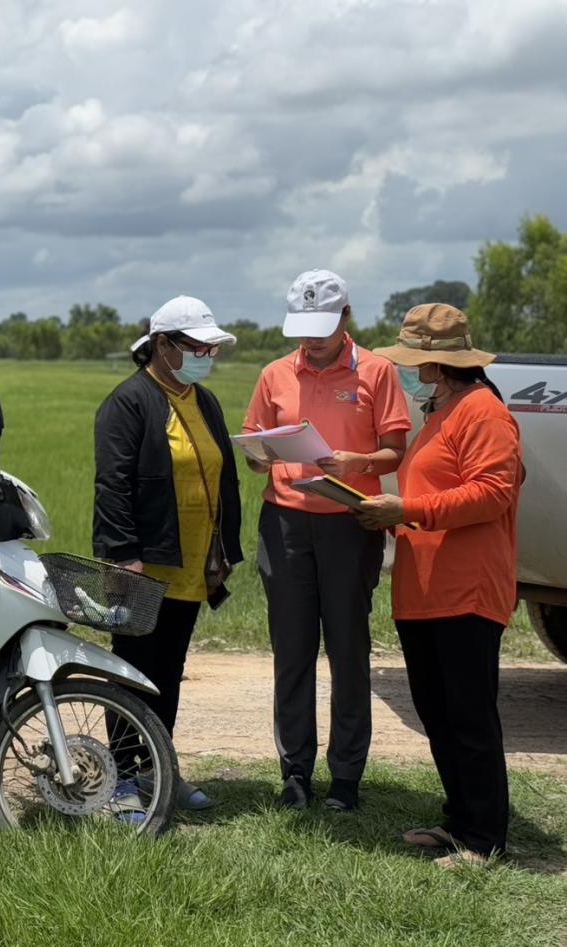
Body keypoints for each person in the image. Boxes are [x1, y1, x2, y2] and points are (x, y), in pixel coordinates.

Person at [242, 269, 412, 812]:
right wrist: (262, 451)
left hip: (348, 520)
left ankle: (345, 777)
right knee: (292, 652)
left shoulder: (378, 372)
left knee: (347, 648)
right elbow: (253, 452)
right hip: (285, 522)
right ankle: (295, 773)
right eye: (302, 328)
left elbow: (395, 449)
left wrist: (358, 460)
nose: (310, 339)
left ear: (345, 317)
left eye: (321, 326)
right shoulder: (274, 374)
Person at [358, 303, 521, 867]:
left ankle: (485, 839)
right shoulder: (443, 409)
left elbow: (492, 493)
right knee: (438, 711)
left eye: (413, 359)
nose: (407, 368)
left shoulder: (484, 412)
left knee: (470, 715)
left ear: (434, 362)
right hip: (426, 592)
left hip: (467, 591)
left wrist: (408, 508)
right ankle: (460, 820)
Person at [93, 295, 242, 816]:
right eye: (197, 346)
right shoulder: (129, 401)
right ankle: (122, 779)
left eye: (211, 348)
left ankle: (159, 768)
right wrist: (124, 556)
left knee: (168, 670)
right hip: (144, 566)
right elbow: (111, 486)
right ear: (162, 345)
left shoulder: (204, 401)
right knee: (134, 671)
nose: (207, 355)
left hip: (191, 564)